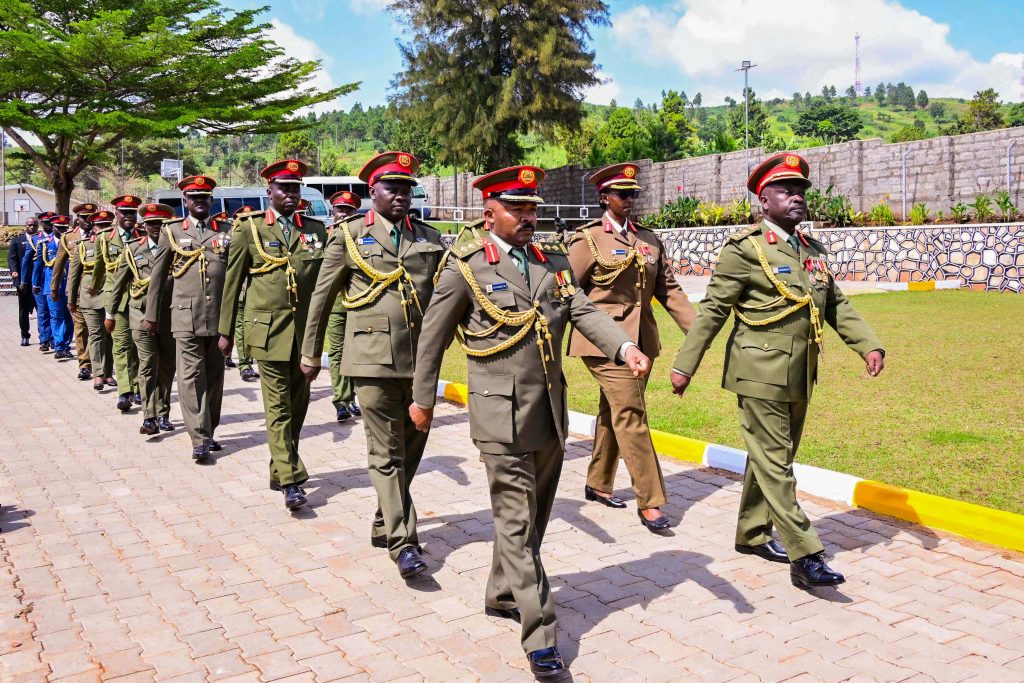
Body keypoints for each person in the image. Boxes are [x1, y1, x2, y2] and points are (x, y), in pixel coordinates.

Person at [409, 165, 650, 677]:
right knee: (516, 521)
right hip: (499, 413)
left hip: (548, 412)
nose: (528, 216)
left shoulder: (550, 260)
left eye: (532, 206)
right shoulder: (467, 264)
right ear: (488, 211)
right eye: (516, 207)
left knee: (534, 518)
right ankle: (540, 634)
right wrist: (422, 397)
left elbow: (581, 309)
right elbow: (432, 336)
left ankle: (501, 592)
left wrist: (624, 344)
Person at [671, 153, 886, 588]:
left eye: (801, 191)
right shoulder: (745, 249)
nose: (797, 198)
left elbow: (836, 304)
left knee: (774, 458)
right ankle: (806, 554)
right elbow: (712, 310)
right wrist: (684, 366)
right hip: (757, 371)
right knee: (776, 463)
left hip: (799, 372)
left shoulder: (808, 250)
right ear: (763, 200)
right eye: (786, 190)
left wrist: (868, 345)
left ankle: (751, 533)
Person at [300, 151, 443, 578]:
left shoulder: (429, 237)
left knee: (412, 447)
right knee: (386, 451)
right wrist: (311, 353)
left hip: (420, 360)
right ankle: (404, 542)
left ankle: (385, 520)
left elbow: (444, 300)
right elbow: (321, 299)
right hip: (371, 360)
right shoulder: (348, 236)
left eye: (406, 189)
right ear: (372, 192)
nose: (401, 195)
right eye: (391, 188)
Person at [567, 163, 696, 531]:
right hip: (601, 342)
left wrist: (697, 331)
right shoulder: (589, 239)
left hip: (643, 342)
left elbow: (668, 291)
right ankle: (651, 500)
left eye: (633, 193)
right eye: (621, 194)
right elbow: (567, 291)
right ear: (604, 197)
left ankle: (598, 482)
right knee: (632, 413)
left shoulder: (649, 240)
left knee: (614, 410)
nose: (629, 200)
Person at [219, 160, 328, 510]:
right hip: (266, 334)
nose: (291, 194)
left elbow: (324, 283)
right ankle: (292, 481)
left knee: (298, 407)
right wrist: (225, 333)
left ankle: (278, 469)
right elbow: (232, 284)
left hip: (303, 335)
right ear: (270, 191)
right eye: (285, 188)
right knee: (278, 408)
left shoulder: (314, 229)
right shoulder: (248, 229)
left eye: (296, 188)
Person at [145, 176, 230, 462]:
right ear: (185, 201)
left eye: (205, 197)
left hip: (219, 316)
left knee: (215, 378)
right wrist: (152, 315)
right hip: (185, 317)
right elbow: (157, 278)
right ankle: (199, 437)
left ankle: (210, 429)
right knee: (191, 377)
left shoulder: (226, 230)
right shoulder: (171, 232)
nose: (200, 201)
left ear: (212, 200)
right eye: (194, 197)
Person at [108, 204, 177, 436]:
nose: (156, 228)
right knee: (147, 366)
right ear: (143, 226)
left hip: (170, 316)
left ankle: (163, 413)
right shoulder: (133, 249)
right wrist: (110, 313)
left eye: (160, 223)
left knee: (167, 368)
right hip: (140, 315)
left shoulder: (178, 248)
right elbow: (118, 285)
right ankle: (149, 417)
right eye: (151, 224)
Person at [93, 195, 143, 410]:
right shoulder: (104, 238)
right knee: (121, 346)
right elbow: (98, 268)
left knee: (139, 347)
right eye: (125, 212)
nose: (129, 216)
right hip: (116, 300)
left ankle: (139, 387)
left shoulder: (143, 236)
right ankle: (124, 391)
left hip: (140, 299)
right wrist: (95, 293)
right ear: (117, 214)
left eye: (133, 212)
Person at [66, 210, 114, 391]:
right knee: (95, 335)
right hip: (90, 297)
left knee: (109, 335)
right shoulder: (83, 246)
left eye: (107, 226)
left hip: (111, 296)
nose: (103, 230)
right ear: (93, 228)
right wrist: (71, 299)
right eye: (100, 226)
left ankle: (109, 373)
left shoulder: (117, 245)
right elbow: (74, 275)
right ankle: (98, 374)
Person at [325, 190, 362, 422]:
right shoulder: (323, 234)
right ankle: (341, 400)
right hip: (336, 304)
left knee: (358, 352)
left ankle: (354, 398)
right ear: (333, 211)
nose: (344, 214)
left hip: (359, 301)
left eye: (348, 210)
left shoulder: (363, 235)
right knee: (338, 352)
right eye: (340, 209)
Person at [50, 204, 98, 377]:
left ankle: (99, 364)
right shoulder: (68, 237)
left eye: (91, 217)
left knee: (97, 329)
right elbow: (59, 264)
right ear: (77, 218)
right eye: (84, 217)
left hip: (98, 290)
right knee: (81, 327)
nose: (88, 221)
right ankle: (84, 364)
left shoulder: (101, 234)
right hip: (76, 290)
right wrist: (54, 288)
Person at [226, 206, 260, 383]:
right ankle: (245, 365)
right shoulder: (230, 237)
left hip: (256, 292)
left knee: (253, 329)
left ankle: (252, 361)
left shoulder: (258, 235)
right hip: (240, 291)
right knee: (240, 329)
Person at [34, 215, 73, 360]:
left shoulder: (72, 242)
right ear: (53, 227)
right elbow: (38, 266)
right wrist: (35, 284)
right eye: (59, 228)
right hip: (51, 287)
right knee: (57, 316)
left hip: (68, 286)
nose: (62, 230)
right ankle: (59, 346)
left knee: (69, 317)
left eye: (65, 228)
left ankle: (66, 345)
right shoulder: (45, 243)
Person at [22, 213, 54, 353]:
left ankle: (55, 339)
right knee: (42, 312)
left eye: (50, 222)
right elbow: (26, 261)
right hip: (39, 281)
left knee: (55, 311)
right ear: (42, 224)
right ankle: (44, 340)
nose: (48, 225)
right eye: (45, 222)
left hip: (54, 280)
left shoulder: (59, 237)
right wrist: (23, 281)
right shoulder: (35, 239)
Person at [8, 217, 38, 346]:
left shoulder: (41, 240)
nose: (32, 227)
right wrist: (14, 272)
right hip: (23, 281)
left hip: (38, 281)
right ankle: (25, 335)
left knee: (41, 310)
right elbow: (12, 258)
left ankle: (45, 337)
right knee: (24, 310)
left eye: (34, 225)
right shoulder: (17, 240)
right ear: (25, 225)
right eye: (30, 225)